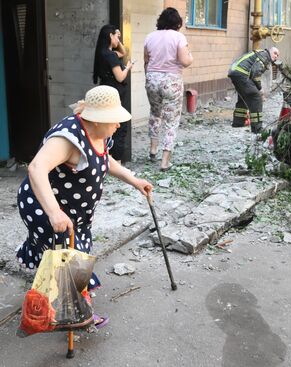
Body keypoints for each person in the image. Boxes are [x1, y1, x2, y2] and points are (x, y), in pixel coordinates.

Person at [16, 85, 153, 328]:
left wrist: (134, 180)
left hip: (74, 211)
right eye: (114, 119)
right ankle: (73, 312)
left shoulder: (100, 134)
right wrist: (53, 212)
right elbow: (36, 168)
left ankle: (61, 304)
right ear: (96, 119)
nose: (118, 125)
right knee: (70, 259)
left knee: (72, 255)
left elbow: (104, 159)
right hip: (42, 205)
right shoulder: (68, 138)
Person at [144, 7, 193, 171]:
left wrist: (150, 77)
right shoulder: (179, 37)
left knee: (155, 113)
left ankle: (152, 150)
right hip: (171, 81)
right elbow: (185, 61)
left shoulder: (149, 37)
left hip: (152, 79)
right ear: (177, 23)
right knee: (171, 120)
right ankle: (165, 162)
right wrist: (190, 56)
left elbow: (146, 60)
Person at [93, 24, 134, 162]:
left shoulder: (102, 53)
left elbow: (122, 52)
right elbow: (120, 77)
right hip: (115, 94)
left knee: (106, 125)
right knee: (119, 127)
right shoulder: (110, 56)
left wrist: (116, 40)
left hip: (105, 90)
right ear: (110, 36)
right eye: (117, 36)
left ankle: (105, 158)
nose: (119, 40)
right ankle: (116, 161)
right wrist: (127, 67)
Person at [228, 47, 280, 133]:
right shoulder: (264, 56)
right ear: (270, 51)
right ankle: (257, 128)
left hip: (235, 72)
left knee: (244, 97)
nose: (276, 56)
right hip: (241, 73)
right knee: (256, 97)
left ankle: (238, 122)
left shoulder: (261, 53)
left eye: (278, 55)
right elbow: (255, 73)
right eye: (275, 53)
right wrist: (260, 89)